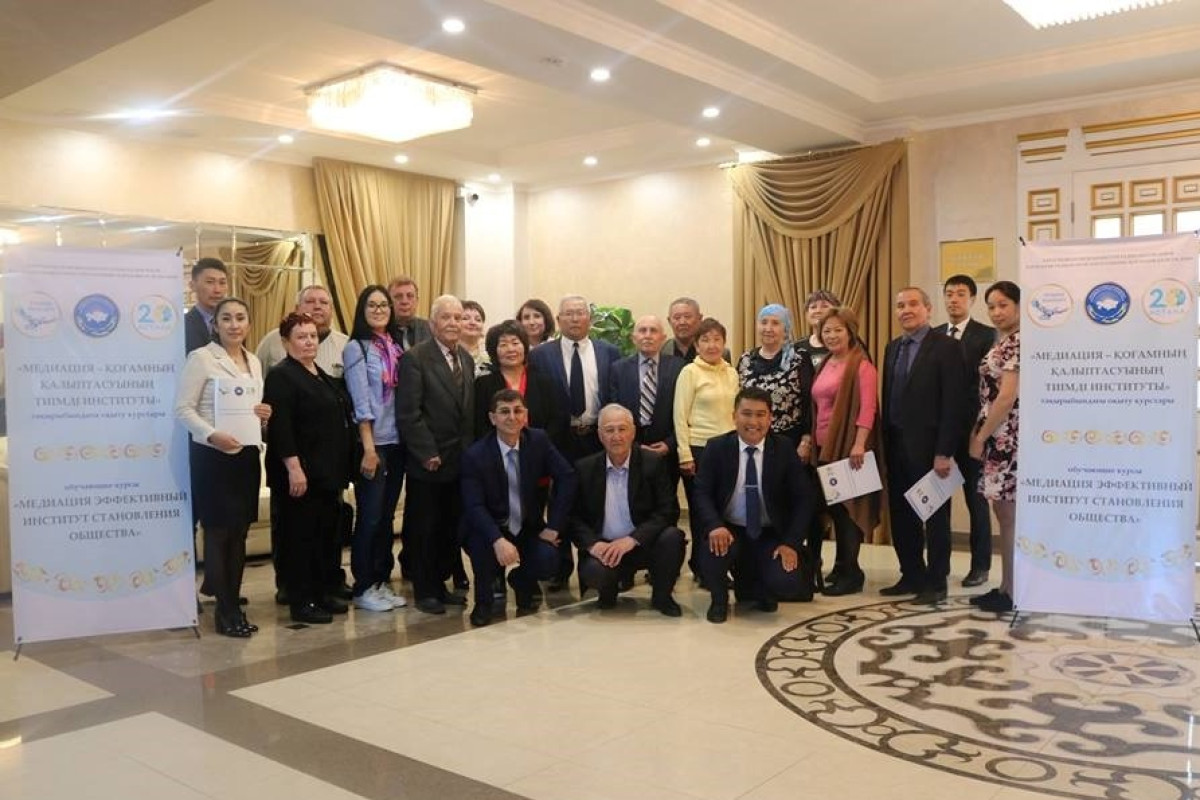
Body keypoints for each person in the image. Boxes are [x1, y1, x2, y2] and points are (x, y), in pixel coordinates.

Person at [174, 297, 271, 637]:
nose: (234, 324)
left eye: (240, 318)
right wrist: (212, 434)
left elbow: (253, 408)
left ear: (248, 323)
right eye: (226, 318)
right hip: (212, 457)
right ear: (215, 325)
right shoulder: (201, 358)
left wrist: (263, 416)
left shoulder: (254, 361)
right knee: (218, 533)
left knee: (240, 532)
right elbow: (183, 409)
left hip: (245, 456)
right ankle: (225, 612)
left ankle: (233, 603)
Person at [256, 284, 349, 605]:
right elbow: (281, 428)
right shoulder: (282, 375)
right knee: (299, 538)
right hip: (299, 473)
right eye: (301, 337)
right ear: (286, 342)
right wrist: (294, 468)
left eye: (312, 336)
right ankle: (301, 600)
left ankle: (321, 592)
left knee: (322, 535)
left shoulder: (318, 372)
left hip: (324, 472)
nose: (309, 341)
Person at [692, 387, 813, 623]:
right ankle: (719, 600)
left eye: (760, 415)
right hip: (729, 529)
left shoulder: (784, 448)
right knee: (712, 554)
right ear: (734, 416)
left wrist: (791, 543)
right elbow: (701, 492)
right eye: (746, 414)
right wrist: (715, 525)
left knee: (786, 581)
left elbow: (803, 498)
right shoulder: (717, 447)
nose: (753, 422)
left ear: (770, 418)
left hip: (769, 532)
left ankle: (759, 590)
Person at [460, 389, 577, 627]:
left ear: (525, 415)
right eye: (504, 412)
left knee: (549, 559)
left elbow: (567, 477)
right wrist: (497, 540)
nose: (512, 417)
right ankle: (483, 601)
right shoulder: (475, 455)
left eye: (518, 411)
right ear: (492, 418)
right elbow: (474, 506)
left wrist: (554, 527)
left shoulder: (538, 440)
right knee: (482, 551)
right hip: (489, 527)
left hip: (527, 525)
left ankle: (521, 580)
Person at [881, 287, 967, 605]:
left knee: (935, 518)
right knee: (902, 515)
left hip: (931, 451)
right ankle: (911, 574)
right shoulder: (892, 348)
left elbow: (954, 403)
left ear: (928, 309)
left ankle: (936, 582)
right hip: (896, 446)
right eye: (900, 305)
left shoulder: (947, 347)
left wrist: (944, 451)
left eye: (913, 304)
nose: (906, 310)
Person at [528, 294, 620, 591]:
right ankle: (560, 567)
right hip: (559, 438)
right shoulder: (541, 355)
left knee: (595, 501)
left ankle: (593, 566)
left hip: (596, 437)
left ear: (589, 319)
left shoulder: (609, 352)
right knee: (561, 502)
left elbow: (614, 394)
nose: (575, 318)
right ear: (558, 320)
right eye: (568, 313)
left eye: (580, 313)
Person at [397, 294, 475, 614]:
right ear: (432, 324)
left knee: (449, 527)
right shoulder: (415, 359)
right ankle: (425, 590)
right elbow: (409, 413)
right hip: (429, 460)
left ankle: (441, 586)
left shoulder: (466, 358)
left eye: (458, 317)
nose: (453, 323)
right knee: (425, 528)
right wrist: (426, 451)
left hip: (460, 460)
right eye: (446, 317)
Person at [570, 404, 685, 616]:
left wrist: (632, 539)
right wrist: (593, 544)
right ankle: (608, 591)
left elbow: (668, 511)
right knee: (595, 572)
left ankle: (662, 596)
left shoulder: (652, 463)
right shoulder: (584, 468)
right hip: (605, 549)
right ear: (600, 435)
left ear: (632, 432)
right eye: (609, 430)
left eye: (622, 429)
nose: (616, 436)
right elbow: (574, 518)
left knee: (673, 537)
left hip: (641, 544)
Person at [800, 308, 880, 596]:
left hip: (849, 447)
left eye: (838, 330)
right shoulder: (825, 363)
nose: (832, 335)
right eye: (827, 331)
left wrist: (859, 444)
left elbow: (868, 408)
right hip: (823, 447)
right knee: (832, 509)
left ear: (850, 332)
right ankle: (840, 566)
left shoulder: (862, 365)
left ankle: (851, 573)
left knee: (848, 512)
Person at [343, 286, 409, 613]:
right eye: (372, 305)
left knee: (385, 517)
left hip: (397, 443)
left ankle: (381, 581)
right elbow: (361, 402)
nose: (379, 310)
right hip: (373, 445)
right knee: (369, 517)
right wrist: (369, 449)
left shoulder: (396, 346)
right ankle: (363, 585)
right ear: (362, 310)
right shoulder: (356, 348)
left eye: (384, 305)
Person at [934, 274, 997, 588]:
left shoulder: (986, 335)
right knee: (938, 501)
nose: (953, 299)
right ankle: (939, 567)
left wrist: (980, 431)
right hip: (939, 434)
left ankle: (980, 566)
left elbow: (987, 387)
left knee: (976, 500)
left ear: (972, 299)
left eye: (960, 294)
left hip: (972, 431)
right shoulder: (933, 335)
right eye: (949, 293)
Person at [673, 317, 739, 579]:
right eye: (705, 340)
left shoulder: (731, 372)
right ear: (697, 345)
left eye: (717, 339)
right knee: (702, 512)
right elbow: (679, 415)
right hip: (699, 449)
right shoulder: (689, 372)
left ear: (724, 343)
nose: (712, 345)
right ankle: (702, 568)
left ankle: (721, 564)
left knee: (726, 509)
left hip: (729, 448)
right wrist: (684, 455)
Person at [968, 281, 1020, 614]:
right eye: (991, 306)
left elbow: (1006, 397)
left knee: (1009, 514)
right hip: (998, 436)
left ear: (1018, 306)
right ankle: (1006, 585)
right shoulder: (1004, 340)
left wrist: (981, 436)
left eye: (1003, 305)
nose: (996, 312)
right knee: (1003, 513)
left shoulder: (1019, 341)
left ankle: (1013, 590)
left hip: (1008, 437)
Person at [608, 315, 684, 474]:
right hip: (629, 451)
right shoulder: (618, 369)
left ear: (663, 338)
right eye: (642, 331)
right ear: (634, 338)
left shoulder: (679, 367)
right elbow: (613, 408)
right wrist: (632, 445)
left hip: (667, 452)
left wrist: (670, 444)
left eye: (653, 331)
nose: (648, 335)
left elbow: (686, 412)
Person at [473, 319, 565, 442]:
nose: (511, 349)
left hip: (540, 448)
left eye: (515, 343)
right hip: (497, 450)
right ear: (494, 350)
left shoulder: (544, 382)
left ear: (524, 346)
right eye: (503, 345)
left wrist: (539, 445)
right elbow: (481, 426)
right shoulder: (483, 385)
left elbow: (556, 421)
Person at [737, 304, 814, 447]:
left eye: (775, 323)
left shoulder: (799, 358)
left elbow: (809, 401)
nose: (768, 328)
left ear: (785, 329)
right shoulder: (745, 359)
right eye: (764, 322)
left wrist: (806, 439)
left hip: (790, 440)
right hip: (751, 439)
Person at [256, 285, 348, 379]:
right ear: (297, 308)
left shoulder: (346, 345)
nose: (317, 306)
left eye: (324, 302)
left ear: (332, 311)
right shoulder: (273, 340)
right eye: (310, 302)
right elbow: (257, 379)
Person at [184, 257, 229, 354]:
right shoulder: (183, 326)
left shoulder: (232, 325)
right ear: (192, 286)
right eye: (210, 282)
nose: (217, 290)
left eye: (222, 283)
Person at [796, 290, 840, 371]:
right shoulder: (798, 347)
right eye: (813, 307)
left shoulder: (846, 343)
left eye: (825, 306)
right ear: (806, 314)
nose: (818, 311)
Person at [388, 275, 430, 350]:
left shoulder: (431, 329)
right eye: (398, 296)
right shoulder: (382, 331)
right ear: (389, 302)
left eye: (410, 296)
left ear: (417, 301)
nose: (404, 301)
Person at [461, 300, 490, 375]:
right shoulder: (448, 353)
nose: (472, 323)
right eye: (466, 318)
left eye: (478, 320)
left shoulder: (490, 352)